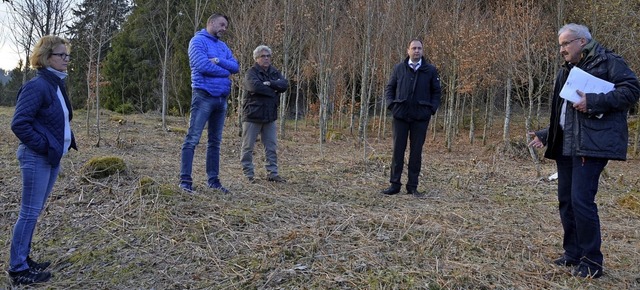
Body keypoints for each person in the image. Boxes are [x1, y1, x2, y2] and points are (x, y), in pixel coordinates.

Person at [529, 23, 639, 278]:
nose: (562, 50)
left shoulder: (609, 61)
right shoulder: (565, 71)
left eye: (566, 44)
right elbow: (564, 114)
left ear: (581, 41)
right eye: (560, 45)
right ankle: (573, 253)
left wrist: (594, 101)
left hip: (592, 144)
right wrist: (547, 135)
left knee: (581, 201)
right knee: (567, 201)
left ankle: (592, 262)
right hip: (566, 145)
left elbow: (632, 90)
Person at [8, 35, 77, 285]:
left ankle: (24, 259)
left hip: (50, 157)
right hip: (37, 158)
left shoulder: (55, 85)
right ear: (47, 58)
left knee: (33, 212)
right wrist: (45, 146)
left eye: (67, 55)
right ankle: (17, 269)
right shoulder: (37, 86)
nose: (66, 60)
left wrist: (57, 145)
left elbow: (55, 120)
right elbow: (19, 124)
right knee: (28, 212)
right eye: (62, 55)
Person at [179, 13, 239, 194]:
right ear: (211, 23)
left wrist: (220, 61)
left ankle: (213, 181)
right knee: (192, 139)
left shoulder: (222, 46)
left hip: (221, 99)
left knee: (215, 142)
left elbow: (235, 66)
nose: (224, 29)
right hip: (203, 95)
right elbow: (201, 65)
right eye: (221, 24)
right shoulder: (197, 41)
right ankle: (185, 182)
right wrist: (225, 71)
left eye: (226, 26)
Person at [381, 39, 442, 198]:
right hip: (400, 115)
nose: (416, 51)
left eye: (419, 48)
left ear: (422, 51)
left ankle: (412, 186)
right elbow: (390, 88)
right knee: (397, 151)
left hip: (420, 117)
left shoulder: (430, 70)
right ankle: (394, 185)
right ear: (408, 50)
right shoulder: (398, 69)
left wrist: (431, 109)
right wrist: (391, 105)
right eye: (414, 48)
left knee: (416, 153)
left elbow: (436, 92)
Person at [240, 45, 289, 183]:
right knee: (248, 146)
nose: (266, 58)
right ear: (256, 58)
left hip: (270, 115)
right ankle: (248, 174)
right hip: (252, 115)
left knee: (271, 147)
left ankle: (272, 173)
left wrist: (270, 83)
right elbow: (254, 86)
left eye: (268, 56)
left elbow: (284, 85)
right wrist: (273, 91)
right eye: (263, 56)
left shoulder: (274, 72)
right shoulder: (251, 72)